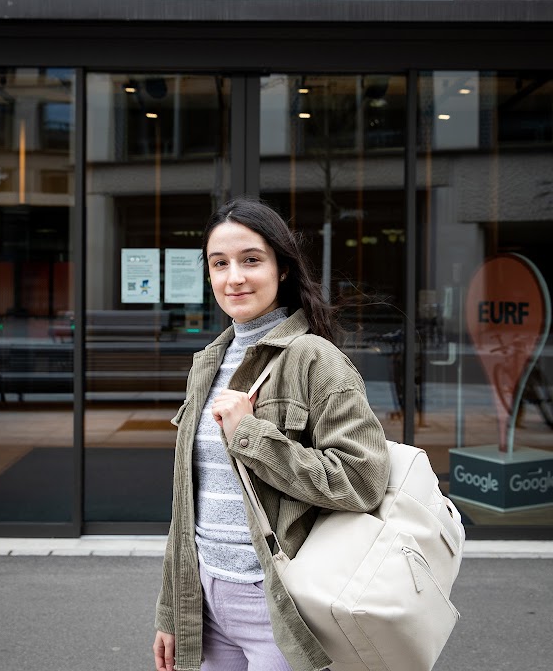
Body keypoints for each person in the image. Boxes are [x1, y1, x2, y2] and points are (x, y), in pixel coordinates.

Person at [153, 197, 390, 671]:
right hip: (205, 599)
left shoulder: (313, 359)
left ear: (282, 268)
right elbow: (186, 507)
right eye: (220, 264)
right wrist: (171, 609)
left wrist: (252, 435)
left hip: (277, 604)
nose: (234, 277)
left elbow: (363, 480)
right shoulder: (209, 364)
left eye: (251, 260)